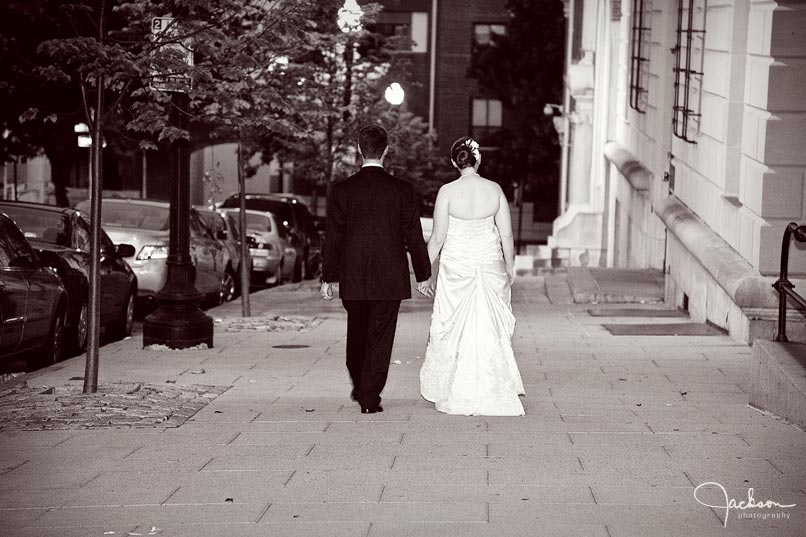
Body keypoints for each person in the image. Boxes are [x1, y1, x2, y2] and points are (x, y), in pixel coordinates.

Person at [320, 124, 432, 414]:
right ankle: (370, 395)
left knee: (357, 332)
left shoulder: (342, 190)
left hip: (353, 275)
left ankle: (360, 384)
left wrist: (328, 277)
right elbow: (413, 236)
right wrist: (424, 274)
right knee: (380, 337)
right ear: (386, 150)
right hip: (389, 276)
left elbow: (333, 236)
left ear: (359, 149)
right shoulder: (402, 190)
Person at [419, 136, 525, 416]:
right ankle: (493, 388)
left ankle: (457, 387)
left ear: (454, 162)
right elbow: (506, 234)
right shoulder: (495, 190)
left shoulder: (447, 192)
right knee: (489, 328)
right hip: (489, 265)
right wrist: (510, 266)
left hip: (457, 268)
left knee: (455, 329)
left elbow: (438, 238)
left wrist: (422, 272)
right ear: (478, 160)